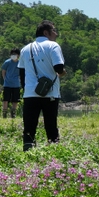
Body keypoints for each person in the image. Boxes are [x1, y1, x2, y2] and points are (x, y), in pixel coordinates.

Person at [20, 21, 65, 151]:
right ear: (46, 32)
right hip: (50, 93)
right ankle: (54, 153)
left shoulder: (25, 49)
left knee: (29, 127)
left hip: (30, 94)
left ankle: (27, 152)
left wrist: (27, 90)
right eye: (54, 30)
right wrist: (62, 73)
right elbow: (59, 67)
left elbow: (22, 73)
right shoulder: (53, 46)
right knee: (51, 125)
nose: (56, 34)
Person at [0, 48, 23, 119]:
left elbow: (21, 73)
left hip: (16, 84)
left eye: (15, 54)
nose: (13, 56)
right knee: (5, 99)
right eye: (12, 54)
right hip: (7, 84)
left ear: (18, 55)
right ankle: (4, 114)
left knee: (15, 100)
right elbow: (3, 71)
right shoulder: (7, 62)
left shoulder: (20, 63)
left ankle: (13, 114)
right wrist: (5, 79)